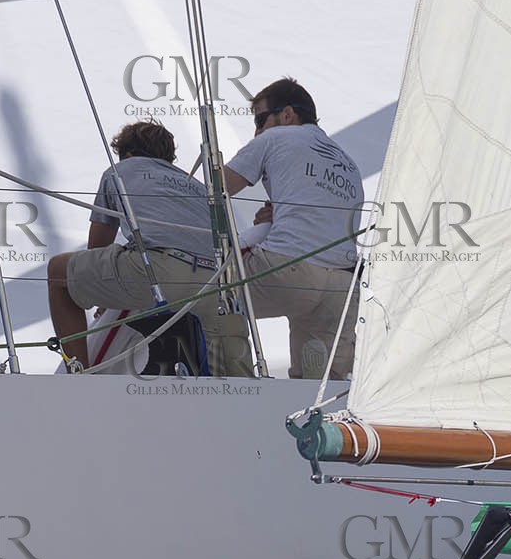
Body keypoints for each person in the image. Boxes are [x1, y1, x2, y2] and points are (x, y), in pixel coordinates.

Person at [48, 121, 252, 375]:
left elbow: (97, 247)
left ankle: (78, 375)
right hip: (217, 283)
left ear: (128, 153)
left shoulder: (120, 170)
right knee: (229, 381)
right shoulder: (198, 187)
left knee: (59, 274)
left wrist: (102, 293)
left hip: (161, 272)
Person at [222, 77, 362, 379]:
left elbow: (217, 189)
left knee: (211, 299)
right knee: (324, 385)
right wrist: (278, 213)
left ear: (287, 115)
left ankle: (237, 382)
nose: (256, 131)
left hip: (287, 270)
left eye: (260, 120)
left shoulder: (275, 139)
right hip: (341, 284)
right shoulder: (349, 163)